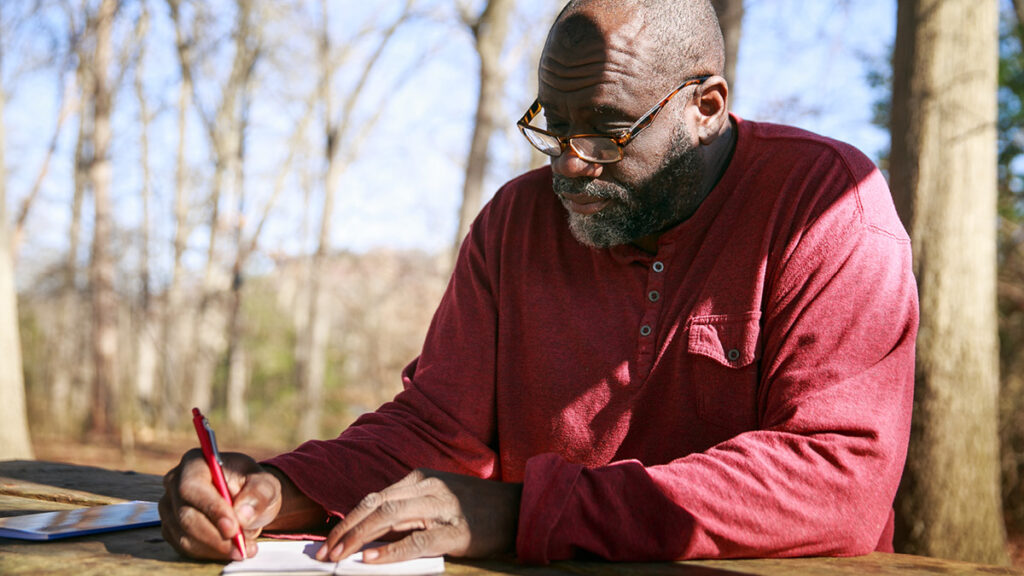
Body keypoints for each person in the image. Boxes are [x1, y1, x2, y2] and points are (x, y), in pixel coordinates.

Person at [159, 0, 917, 565]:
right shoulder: (515, 224)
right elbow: (435, 428)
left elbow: (836, 478)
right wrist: (281, 488)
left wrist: (534, 514)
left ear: (706, 109)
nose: (569, 163)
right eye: (552, 124)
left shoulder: (827, 206)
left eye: (606, 130)